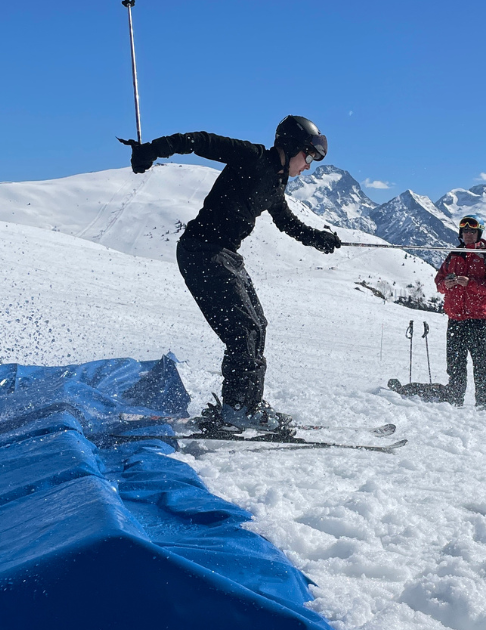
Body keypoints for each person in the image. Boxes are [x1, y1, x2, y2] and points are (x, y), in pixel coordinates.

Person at [120, 116, 341, 432]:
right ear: (292, 145)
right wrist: (153, 150)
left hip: (226, 255)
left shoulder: (278, 182)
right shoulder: (252, 157)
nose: (308, 165)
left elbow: (286, 222)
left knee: (257, 327)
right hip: (202, 251)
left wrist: (317, 237)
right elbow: (202, 141)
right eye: (308, 156)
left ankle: (247, 403)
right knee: (243, 329)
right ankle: (236, 410)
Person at [433, 215, 486, 407]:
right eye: (465, 231)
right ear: (461, 233)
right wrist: (445, 284)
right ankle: (455, 397)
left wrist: (470, 284)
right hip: (455, 315)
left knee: (479, 361)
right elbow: (439, 282)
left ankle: (485, 402)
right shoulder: (454, 254)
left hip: (477, 316)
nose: (468, 234)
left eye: (472, 231)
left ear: (479, 233)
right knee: (455, 360)